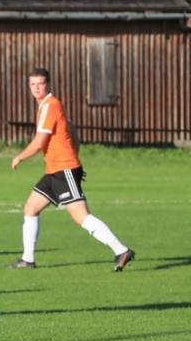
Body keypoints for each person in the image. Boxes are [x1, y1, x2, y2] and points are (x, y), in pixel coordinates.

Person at [8, 68, 134, 271]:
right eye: (33, 84)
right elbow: (72, 130)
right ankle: (27, 259)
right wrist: (74, 158)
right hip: (55, 170)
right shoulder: (49, 106)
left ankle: (121, 250)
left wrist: (19, 156)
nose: (36, 88)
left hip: (63, 169)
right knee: (31, 208)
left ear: (48, 84)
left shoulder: (50, 105)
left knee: (81, 216)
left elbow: (39, 142)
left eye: (40, 83)